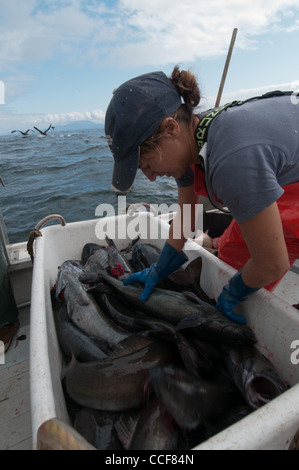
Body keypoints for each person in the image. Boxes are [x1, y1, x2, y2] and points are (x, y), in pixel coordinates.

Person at [105, 66, 299, 324]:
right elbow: (185, 218)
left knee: (258, 269)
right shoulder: (190, 143)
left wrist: (232, 293)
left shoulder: (231, 161)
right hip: (280, 182)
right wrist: (159, 269)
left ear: (171, 129)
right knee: (232, 264)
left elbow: (273, 263)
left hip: (281, 183)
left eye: (148, 165)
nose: (150, 177)